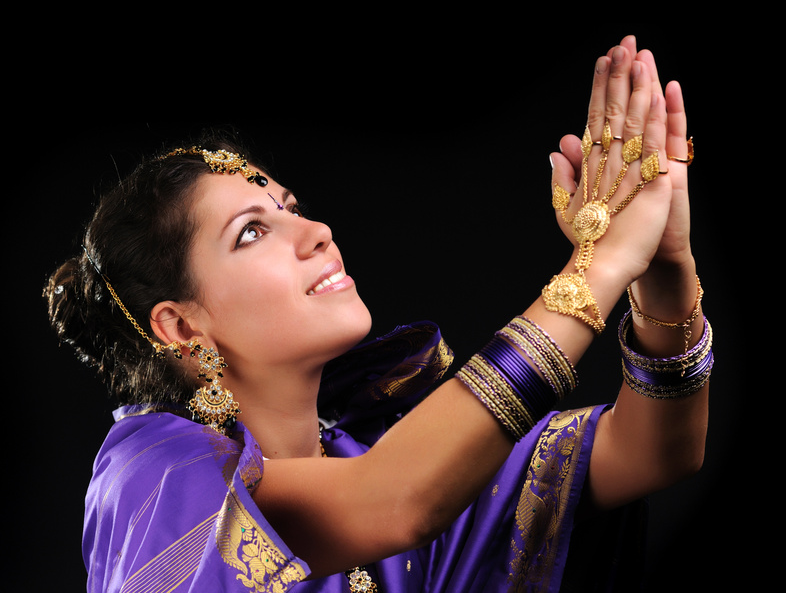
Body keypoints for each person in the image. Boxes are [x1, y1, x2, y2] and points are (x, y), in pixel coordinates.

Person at [44, 35, 709, 592]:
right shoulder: (152, 478)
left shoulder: (370, 456)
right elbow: (400, 498)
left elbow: (653, 450)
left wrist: (663, 270)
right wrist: (596, 268)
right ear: (182, 326)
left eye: (292, 210)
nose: (317, 232)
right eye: (251, 232)